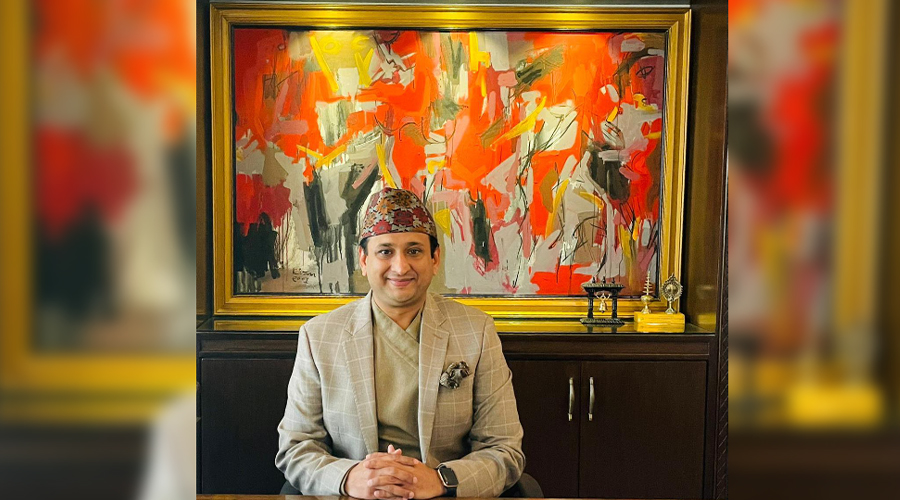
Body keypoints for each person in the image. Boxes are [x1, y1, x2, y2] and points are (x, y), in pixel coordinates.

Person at [276, 187, 525, 498]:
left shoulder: (476, 331)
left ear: (435, 259)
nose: (400, 266)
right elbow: (296, 447)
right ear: (364, 260)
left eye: (414, 251)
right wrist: (350, 478)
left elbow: (503, 449)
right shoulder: (319, 336)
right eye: (385, 252)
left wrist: (440, 480)